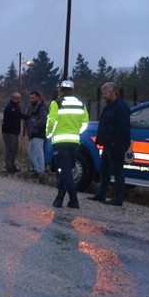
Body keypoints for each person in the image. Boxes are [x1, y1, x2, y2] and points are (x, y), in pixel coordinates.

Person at [46, 79, 89, 208]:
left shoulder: (56, 103)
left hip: (60, 142)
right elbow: (85, 123)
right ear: (72, 90)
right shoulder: (81, 104)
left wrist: (49, 134)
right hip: (74, 142)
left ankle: (70, 197)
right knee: (66, 169)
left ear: (60, 90)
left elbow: (51, 122)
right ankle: (62, 197)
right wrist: (76, 132)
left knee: (63, 171)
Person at [90, 81, 131, 206]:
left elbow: (122, 128)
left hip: (116, 145)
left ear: (114, 92)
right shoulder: (109, 106)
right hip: (108, 144)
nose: (103, 96)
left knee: (117, 171)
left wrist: (114, 142)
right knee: (104, 170)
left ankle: (118, 198)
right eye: (103, 93)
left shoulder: (121, 108)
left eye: (105, 93)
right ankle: (101, 194)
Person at [24, 90, 48, 178]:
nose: (31, 100)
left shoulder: (41, 107)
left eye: (33, 98)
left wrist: (34, 125)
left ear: (38, 98)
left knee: (39, 153)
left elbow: (43, 119)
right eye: (30, 98)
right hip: (33, 134)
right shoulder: (33, 107)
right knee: (30, 152)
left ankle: (41, 171)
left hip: (38, 133)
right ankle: (37, 169)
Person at [2, 92, 23, 173]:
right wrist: (27, 116)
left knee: (15, 149)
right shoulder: (10, 107)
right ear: (12, 98)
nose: (19, 100)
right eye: (17, 99)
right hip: (9, 132)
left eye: (19, 99)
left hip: (14, 133)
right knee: (10, 150)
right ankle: (8, 167)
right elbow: (17, 115)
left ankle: (12, 164)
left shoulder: (16, 107)